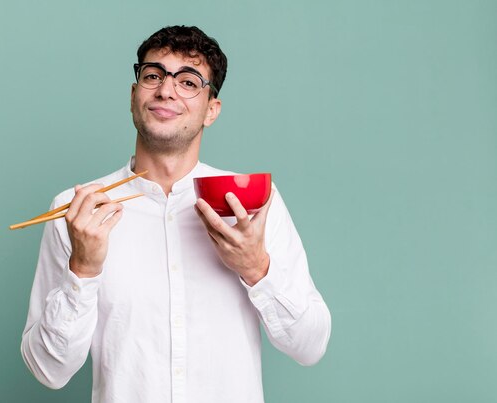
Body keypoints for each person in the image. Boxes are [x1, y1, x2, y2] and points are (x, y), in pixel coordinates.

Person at [21, 25, 331, 403]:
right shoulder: (77, 208)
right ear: (134, 95)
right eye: (153, 75)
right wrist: (82, 269)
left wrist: (257, 268)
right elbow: (48, 370)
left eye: (188, 82)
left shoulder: (253, 205)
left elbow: (310, 346)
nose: (166, 89)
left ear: (211, 110)